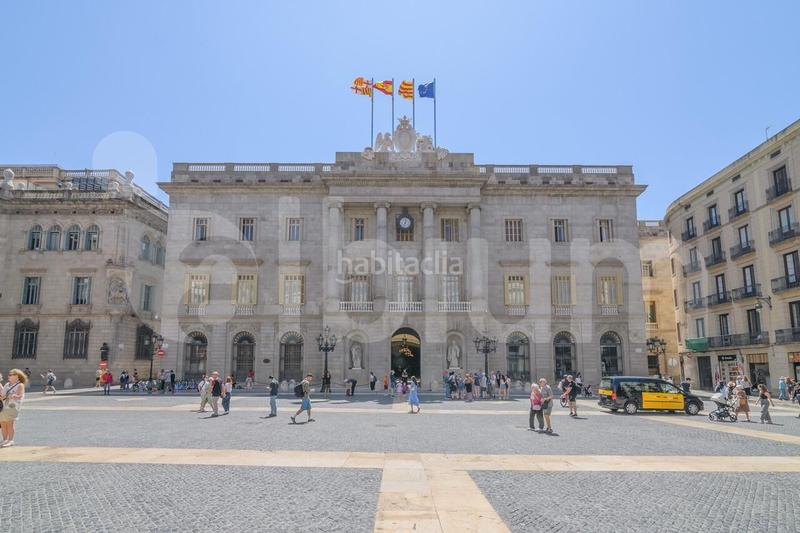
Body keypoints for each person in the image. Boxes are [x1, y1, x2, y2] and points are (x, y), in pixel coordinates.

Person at [0, 368, 28, 447]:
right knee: (3, 423)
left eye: (11, 374)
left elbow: (20, 396)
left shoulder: (20, 385)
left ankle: (10, 440)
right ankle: (5, 439)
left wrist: (14, 396)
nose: (8, 376)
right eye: (9, 374)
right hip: (4, 406)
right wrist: (4, 396)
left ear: (17, 376)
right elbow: (2, 396)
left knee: (9, 423)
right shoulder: (7, 384)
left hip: (13, 406)